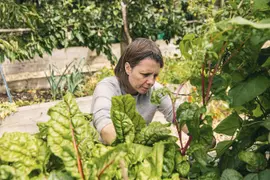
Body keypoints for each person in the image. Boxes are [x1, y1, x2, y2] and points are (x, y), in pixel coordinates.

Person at [91, 38, 173, 144]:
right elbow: (103, 124)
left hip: (136, 154)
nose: (151, 82)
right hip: (106, 155)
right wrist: (129, 154)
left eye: (155, 75)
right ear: (128, 68)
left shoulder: (156, 91)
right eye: (145, 74)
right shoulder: (107, 88)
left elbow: (177, 116)